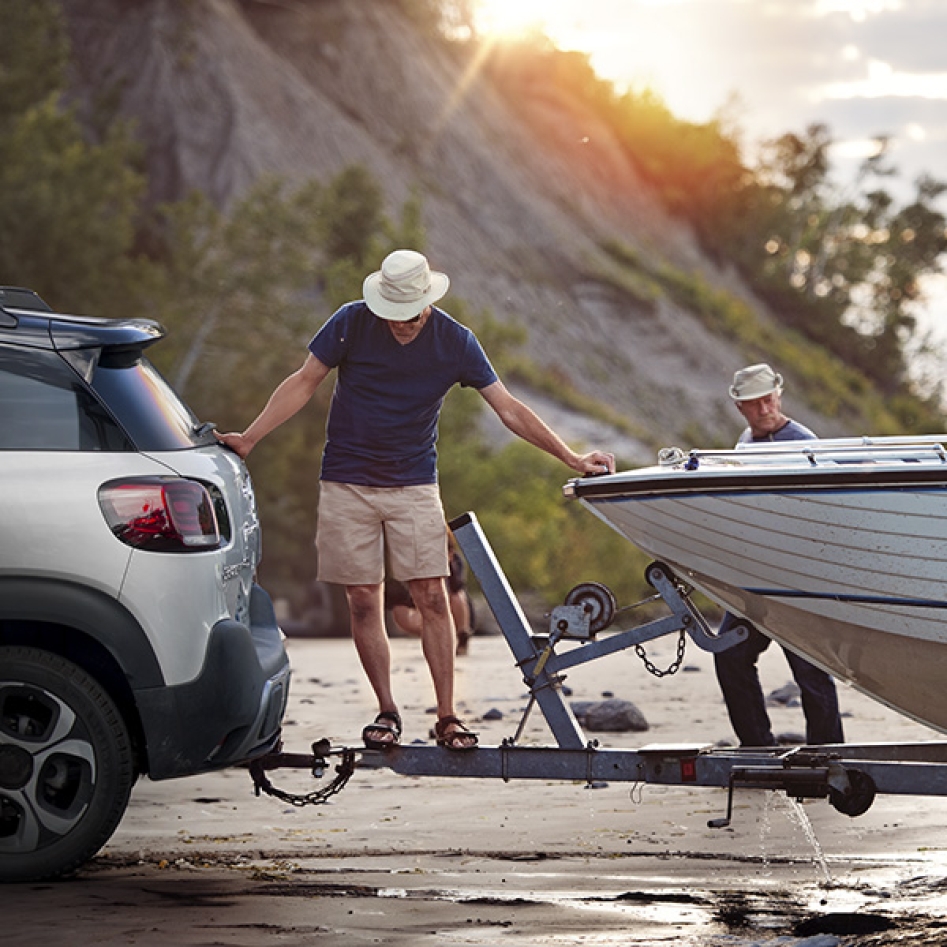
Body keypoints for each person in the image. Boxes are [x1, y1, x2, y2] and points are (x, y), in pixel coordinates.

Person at [216, 249, 615, 752]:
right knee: (363, 600)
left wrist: (570, 457)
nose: (399, 322)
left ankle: (447, 716)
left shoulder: (455, 341)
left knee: (431, 596)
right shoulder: (350, 322)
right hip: (346, 481)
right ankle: (387, 710)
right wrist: (250, 438)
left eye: (408, 313)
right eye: (391, 312)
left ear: (427, 302)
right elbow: (303, 381)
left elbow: (509, 409)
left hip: (414, 484)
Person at [713, 363, 845, 747]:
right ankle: (756, 746)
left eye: (768, 400)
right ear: (740, 407)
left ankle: (828, 753)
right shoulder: (744, 444)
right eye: (754, 404)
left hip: (800, 582)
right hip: (757, 581)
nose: (764, 409)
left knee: (810, 671)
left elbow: (825, 514)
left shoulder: (804, 443)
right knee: (729, 654)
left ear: (779, 396)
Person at [385, 534, 475, 655]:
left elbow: (456, 590)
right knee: (406, 614)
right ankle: (438, 637)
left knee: (454, 595)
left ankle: (461, 633)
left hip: (451, 604)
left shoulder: (452, 564)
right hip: (417, 603)